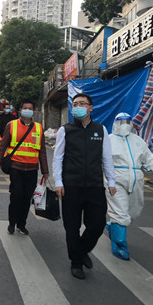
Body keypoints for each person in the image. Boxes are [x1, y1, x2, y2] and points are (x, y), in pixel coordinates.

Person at [53, 93, 116, 280]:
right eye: (75, 104)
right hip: (71, 186)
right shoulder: (65, 130)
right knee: (72, 227)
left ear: (90, 108)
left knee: (97, 225)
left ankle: (81, 250)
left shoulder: (100, 129)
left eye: (82, 103)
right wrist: (59, 182)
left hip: (95, 186)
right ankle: (76, 262)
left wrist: (111, 181)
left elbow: (107, 158)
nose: (78, 107)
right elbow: (58, 158)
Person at [106, 112, 153, 260]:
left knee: (133, 211)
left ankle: (113, 226)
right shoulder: (108, 141)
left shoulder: (138, 141)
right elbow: (100, 160)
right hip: (115, 180)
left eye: (127, 122)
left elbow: (149, 158)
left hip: (136, 179)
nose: (125, 125)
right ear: (115, 123)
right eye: (121, 122)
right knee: (120, 213)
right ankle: (119, 246)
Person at [0, 99, 48, 236]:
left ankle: (21, 224)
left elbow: (42, 151)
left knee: (27, 198)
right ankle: (12, 223)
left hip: (32, 169)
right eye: (25, 108)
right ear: (20, 110)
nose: (28, 110)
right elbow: (2, 146)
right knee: (16, 196)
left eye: (30, 108)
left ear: (33, 111)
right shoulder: (11, 125)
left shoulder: (39, 128)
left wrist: (45, 171)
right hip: (16, 167)